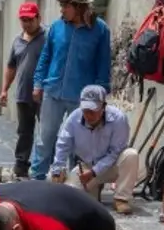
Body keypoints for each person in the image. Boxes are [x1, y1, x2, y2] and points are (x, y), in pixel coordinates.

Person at [30, 0, 112, 180]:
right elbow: (46, 57)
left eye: (65, 5)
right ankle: (37, 177)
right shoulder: (56, 28)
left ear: (78, 7)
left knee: (79, 142)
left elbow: (103, 63)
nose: (61, 10)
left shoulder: (100, 30)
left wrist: (100, 93)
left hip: (81, 97)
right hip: (53, 92)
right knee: (45, 138)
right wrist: (38, 83)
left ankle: (75, 181)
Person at [50, 85, 138, 214]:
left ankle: (121, 198)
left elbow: (115, 152)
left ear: (103, 107)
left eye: (93, 110)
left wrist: (94, 172)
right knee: (72, 198)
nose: (88, 115)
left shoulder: (119, 119)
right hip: (86, 167)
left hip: (113, 166)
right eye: (85, 110)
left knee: (131, 155)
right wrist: (57, 170)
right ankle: (94, 190)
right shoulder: (74, 118)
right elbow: (63, 143)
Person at [0, 1, 47, 179]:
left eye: (29, 20)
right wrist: (4, 90)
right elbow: (11, 67)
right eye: (23, 20)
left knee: (46, 132)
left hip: (44, 95)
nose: (26, 23)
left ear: (38, 18)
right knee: (24, 132)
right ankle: (21, 166)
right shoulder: (17, 41)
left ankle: (43, 167)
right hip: (23, 94)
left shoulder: (48, 37)